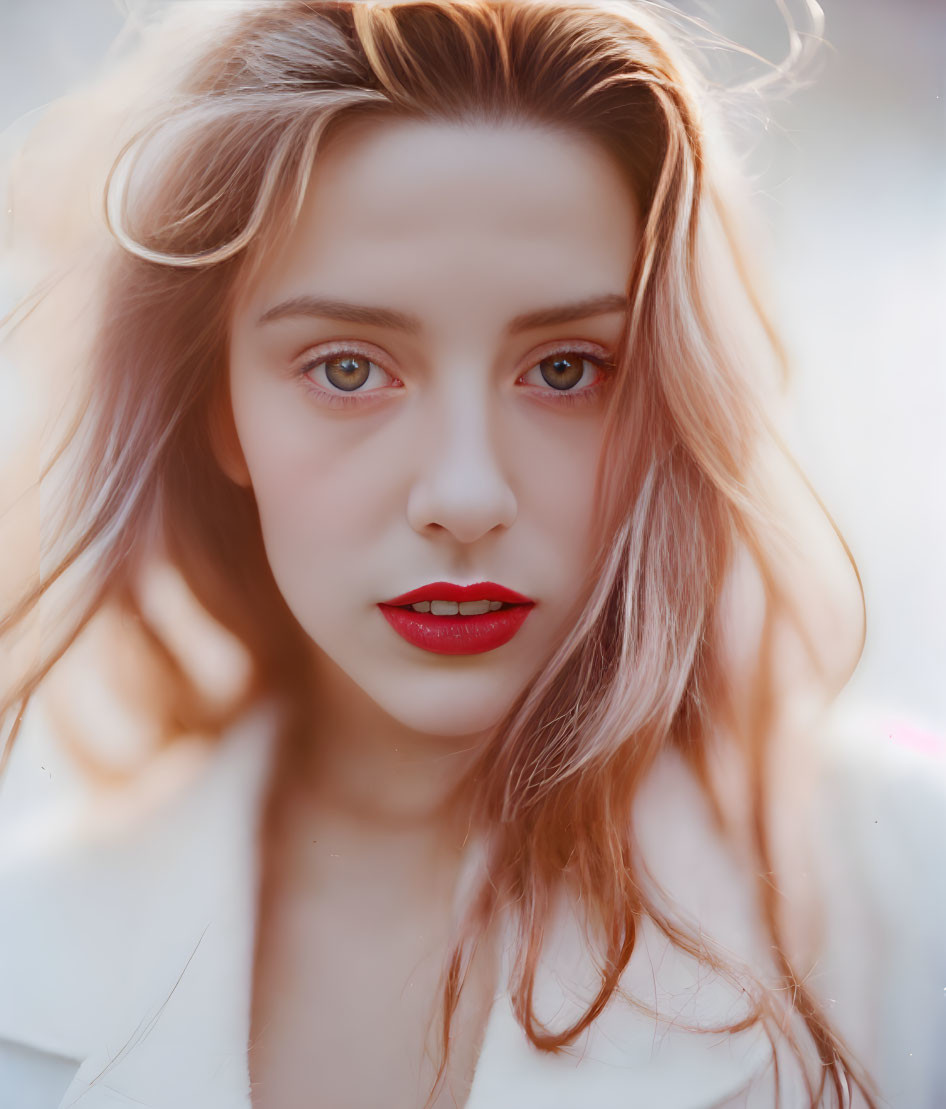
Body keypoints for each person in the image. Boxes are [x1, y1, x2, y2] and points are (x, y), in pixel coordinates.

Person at [0, 0, 943, 1106]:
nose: (464, 495)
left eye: (564, 369)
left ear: (672, 394)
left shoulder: (911, 884)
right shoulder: (27, 930)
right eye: (348, 368)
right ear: (218, 411)